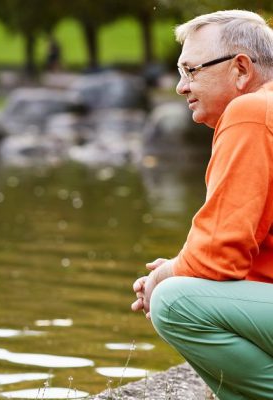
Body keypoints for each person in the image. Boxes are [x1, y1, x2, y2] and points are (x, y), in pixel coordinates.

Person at [130, 10, 273, 400]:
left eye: (191, 70)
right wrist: (182, 267)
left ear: (241, 69)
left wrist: (166, 277)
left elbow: (219, 256)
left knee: (175, 303)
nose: (180, 87)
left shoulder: (253, 112)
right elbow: (238, 252)